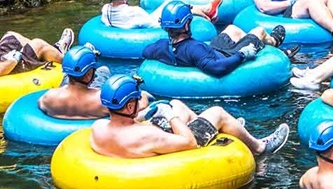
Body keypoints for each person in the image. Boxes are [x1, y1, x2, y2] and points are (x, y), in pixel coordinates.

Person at [90, 74, 289, 158]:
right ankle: (260, 148)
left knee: (177, 104)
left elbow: (125, 127)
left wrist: (143, 116)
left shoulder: (98, 127)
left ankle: (228, 128)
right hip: (167, 146)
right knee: (217, 112)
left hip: (139, 141)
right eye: (137, 99)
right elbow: (189, 142)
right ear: (129, 105)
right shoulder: (147, 135)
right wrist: (170, 117)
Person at [142, 0, 284, 78]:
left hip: (214, 50)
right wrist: (242, 54)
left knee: (231, 29)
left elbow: (145, 52)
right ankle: (274, 42)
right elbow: (218, 68)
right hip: (227, 57)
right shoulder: (193, 48)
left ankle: (255, 43)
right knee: (259, 31)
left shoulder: (161, 46)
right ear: (186, 24)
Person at [38, 45, 151, 119]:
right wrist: (143, 95)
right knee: (104, 70)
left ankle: (85, 55)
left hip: (64, 97)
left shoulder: (49, 97)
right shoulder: (102, 100)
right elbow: (138, 107)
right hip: (92, 102)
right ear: (88, 75)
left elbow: (38, 105)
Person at [0, 28, 75, 77]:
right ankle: (65, 59)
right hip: (6, 68)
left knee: (12, 36)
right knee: (38, 44)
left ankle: (51, 51)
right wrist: (13, 60)